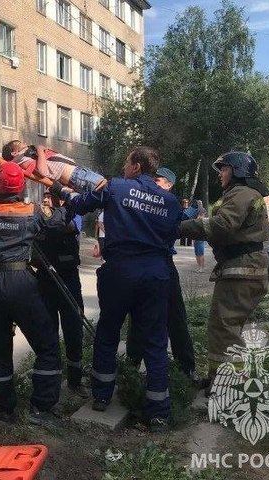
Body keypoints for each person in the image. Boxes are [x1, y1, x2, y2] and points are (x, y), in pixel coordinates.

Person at [52, 147, 181, 433]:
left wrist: (60, 190)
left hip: (121, 271)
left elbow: (81, 204)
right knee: (155, 340)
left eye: (126, 162)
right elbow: (172, 236)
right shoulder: (171, 202)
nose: (123, 166)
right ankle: (159, 413)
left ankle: (101, 396)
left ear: (136, 166)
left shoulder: (116, 187)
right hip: (156, 274)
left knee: (109, 331)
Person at [0, 147, 70, 426]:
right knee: (46, 345)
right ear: (22, 186)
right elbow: (60, 220)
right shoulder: (32, 212)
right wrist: (64, 193)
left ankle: (4, 412)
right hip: (20, 282)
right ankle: (41, 409)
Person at [179, 152, 269, 390]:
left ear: (238, 171)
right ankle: (220, 377)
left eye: (225, 169)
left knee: (225, 327)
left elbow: (222, 225)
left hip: (242, 269)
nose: (220, 174)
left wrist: (180, 228)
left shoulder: (241, 193)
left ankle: (229, 386)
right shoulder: (243, 194)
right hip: (241, 267)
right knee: (223, 326)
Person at [124, 167, 197, 384]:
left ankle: (186, 369)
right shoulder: (145, 201)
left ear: (169, 185)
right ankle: (131, 367)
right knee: (137, 318)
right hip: (140, 262)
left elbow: (180, 221)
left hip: (163, 262)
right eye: (154, 180)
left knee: (175, 316)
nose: (156, 184)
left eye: (161, 181)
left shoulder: (169, 203)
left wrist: (192, 213)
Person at [34, 192, 88, 398]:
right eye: (45, 196)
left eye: (50, 196)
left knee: (73, 330)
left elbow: (69, 227)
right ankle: (50, 382)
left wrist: (48, 215)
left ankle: (75, 379)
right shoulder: (39, 215)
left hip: (68, 280)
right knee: (47, 333)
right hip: (45, 280)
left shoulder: (72, 214)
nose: (46, 200)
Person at [1, 140, 106, 193]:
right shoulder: (24, 161)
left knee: (108, 192)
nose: (25, 143)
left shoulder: (27, 158)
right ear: (14, 154)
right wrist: (40, 150)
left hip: (78, 174)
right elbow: (43, 172)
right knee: (109, 188)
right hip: (77, 176)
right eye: (20, 144)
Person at [194, 200, 207, 273]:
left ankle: (201, 267)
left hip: (200, 235)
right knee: (197, 253)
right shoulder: (197, 210)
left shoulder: (202, 210)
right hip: (196, 235)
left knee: (200, 253)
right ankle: (199, 266)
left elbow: (200, 219)